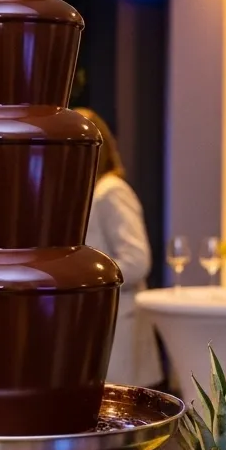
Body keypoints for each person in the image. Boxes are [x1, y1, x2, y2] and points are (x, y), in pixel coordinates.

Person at [76, 108, 161, 386]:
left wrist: (82, 277)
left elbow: (137, 261)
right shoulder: (88, 192)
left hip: (116, 322)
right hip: (97, 321)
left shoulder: (111, 191)